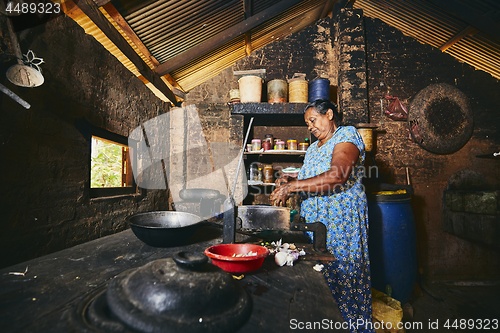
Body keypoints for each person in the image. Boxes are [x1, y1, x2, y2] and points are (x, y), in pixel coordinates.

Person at [270, 99, 374, 333]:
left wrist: (293, 188)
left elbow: (337, 175)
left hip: (340, 223)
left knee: (342, 276)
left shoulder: (346, 135)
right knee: (318, 280)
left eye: (313, 120)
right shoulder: (312, 147)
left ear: (329, 114)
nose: (310, 127)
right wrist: (290, 179)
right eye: (307, 123)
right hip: (315, 224)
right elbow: (311, 175)